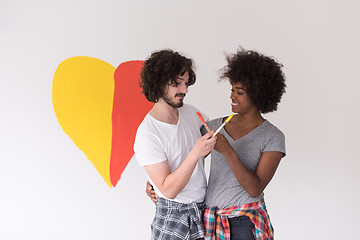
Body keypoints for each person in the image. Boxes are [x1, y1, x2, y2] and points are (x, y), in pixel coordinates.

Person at [147, 48, 286, 240]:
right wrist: (154, 183)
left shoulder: (273, 136)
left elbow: (255, 188)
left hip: (245, 222)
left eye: (239, 92)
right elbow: (185, 157)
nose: (232, 96)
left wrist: (228, 151)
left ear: (258, 95)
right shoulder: (213, 126)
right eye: (232, 90)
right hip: (210, 221)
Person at [134, 49, 217, 240]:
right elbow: (168, 190)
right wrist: (195, 153)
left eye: (186, 83)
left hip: (202, 211)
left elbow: (215, 141)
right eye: (177, 83)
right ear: (158, 83)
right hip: (173, 216)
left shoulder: (192, 113)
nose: (185, 90)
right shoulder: (148, 133)